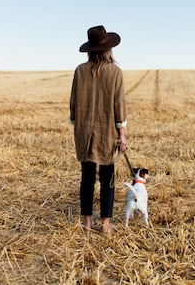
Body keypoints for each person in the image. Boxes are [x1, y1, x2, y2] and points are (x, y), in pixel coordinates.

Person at [69, 25, 128, 235]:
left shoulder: (79, 71)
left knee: (86, 177)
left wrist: (79, 123)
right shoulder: (115, 72)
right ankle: (105, 225)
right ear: (108, 49)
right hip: (107, 133)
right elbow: (119, 106)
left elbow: (73, 104)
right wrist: (122, 136)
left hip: (84, 132)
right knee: (107, 178)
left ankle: (87, 223)